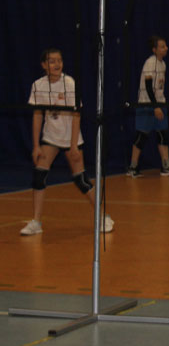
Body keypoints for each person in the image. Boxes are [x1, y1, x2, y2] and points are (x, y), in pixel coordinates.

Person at [20, 48, 114, 236]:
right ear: (44, 65)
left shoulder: (69, 83)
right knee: (38, 176)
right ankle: (36, 222)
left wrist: (73, 147)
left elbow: (76, 116)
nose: (57, 64)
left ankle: (104, 216)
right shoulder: (38, 85)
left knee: (81, 180)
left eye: (59, 60)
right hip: (50, 138)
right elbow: (37, 115)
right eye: (52, 61)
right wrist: (36, 146)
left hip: (71, 137)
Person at [127, 35, 169, 177]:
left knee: (163, 134)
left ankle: (166, 166)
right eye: (162, 46)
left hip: (160, 103)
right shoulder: (150, 63)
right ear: (154, 49)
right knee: (142, 136)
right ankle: (132, 167)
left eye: (166, 46)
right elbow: (148, 87)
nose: (166, 48)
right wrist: (155, 107)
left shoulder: (163, 64)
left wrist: (160, 105)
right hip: (146, 104)